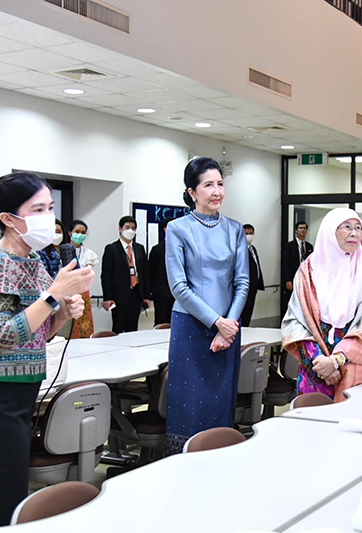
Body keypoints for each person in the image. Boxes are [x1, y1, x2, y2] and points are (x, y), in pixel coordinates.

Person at [0, 172, 93, 531]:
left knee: (9, 507)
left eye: (50, 207)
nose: (48, 216)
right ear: (8, 218)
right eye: (37, 209)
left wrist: (62, 312)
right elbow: (0, 335)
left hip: (20, 403)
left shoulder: (32, 263)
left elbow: (36, 335)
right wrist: (52, 296)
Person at [165, 157, 249, 454]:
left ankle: (219, 464)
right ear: (192, 191)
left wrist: (229, 325)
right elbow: (179, 287)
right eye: (208, 185)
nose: (217, 191)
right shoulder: (177, 229)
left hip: (228, 329)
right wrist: (218, 322)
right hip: (191, 327)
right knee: (189, 404)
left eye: (220, 184)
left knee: (220, 402)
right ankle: (181, 464)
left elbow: (242, 283)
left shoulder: (235, 229)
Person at [282, 208, 362, 402]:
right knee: (312, 422)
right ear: (330, 230)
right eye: (346, 227)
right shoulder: (308, 270)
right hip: (315, 364)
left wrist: (336, 361)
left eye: (358, 228)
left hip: (353, 362)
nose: (354, 233)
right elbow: (296, 321)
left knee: (349, 420)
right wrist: (321, 364)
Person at [101, 216, 151, 334]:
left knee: (132, 329)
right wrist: (107, 297)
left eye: (133, 228)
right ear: (120, 229)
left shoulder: (139, 248)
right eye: (127, 227)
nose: (130, 231)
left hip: (136, 293)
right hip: (119, 296)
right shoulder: (112, 249)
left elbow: (145, 273)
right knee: (118, 327)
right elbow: (106, 275)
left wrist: (146, 296)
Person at [69, 219, 99, 338]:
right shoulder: (61, 250)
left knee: (84, 325)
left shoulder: (89, 254)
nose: (80, 235)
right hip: (67, 291)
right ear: (70, 233)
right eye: (77, 231)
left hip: (83, 293)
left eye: (83, 232)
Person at [147, 217, 176, 326]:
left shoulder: (181, 248)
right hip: (161, 293)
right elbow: (151, 272)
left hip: (177, 294)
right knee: (160, 321)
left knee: (174, 322)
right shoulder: (157, 249)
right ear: (164, 229)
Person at [282, 220, 313, 314]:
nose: (303, 230)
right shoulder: (289, 246)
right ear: (296, 230)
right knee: (291, 301)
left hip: (305, 278)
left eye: (305, 228)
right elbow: (285, 263)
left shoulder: (309, 246)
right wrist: (287, 280)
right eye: (300, 228)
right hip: (292, 277)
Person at [240, 223, 265, 327]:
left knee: (249, 310)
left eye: (251, 233)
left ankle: (246, 327)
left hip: (253, 286)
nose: (249, 236)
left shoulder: (253, 249)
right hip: (244, 286)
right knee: (243, 312)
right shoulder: (239, 249)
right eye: (246, 234)